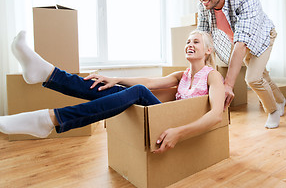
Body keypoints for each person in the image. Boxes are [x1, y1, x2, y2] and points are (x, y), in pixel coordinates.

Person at [0, 30, 225, 153]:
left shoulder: (213, 76)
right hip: (163, 115)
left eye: (195, 41)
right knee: (117, 89)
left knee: (135, 90)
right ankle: (48, 79)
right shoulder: (181, 74)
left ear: (207, 50)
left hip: (173, 126)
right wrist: (115, 78)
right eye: (187, 41)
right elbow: (149, 81)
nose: (189, 44)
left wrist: (179, 132)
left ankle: (50, 96)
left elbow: (216, 115)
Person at [195, 0, 286, 129]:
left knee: (253, 78)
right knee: (262, 75)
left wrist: (228, 85)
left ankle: (273, 111)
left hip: (262, 37)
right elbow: (202, 37)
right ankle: (281, 99)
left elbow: (242, 42)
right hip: (239, 41)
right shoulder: (204, 5)